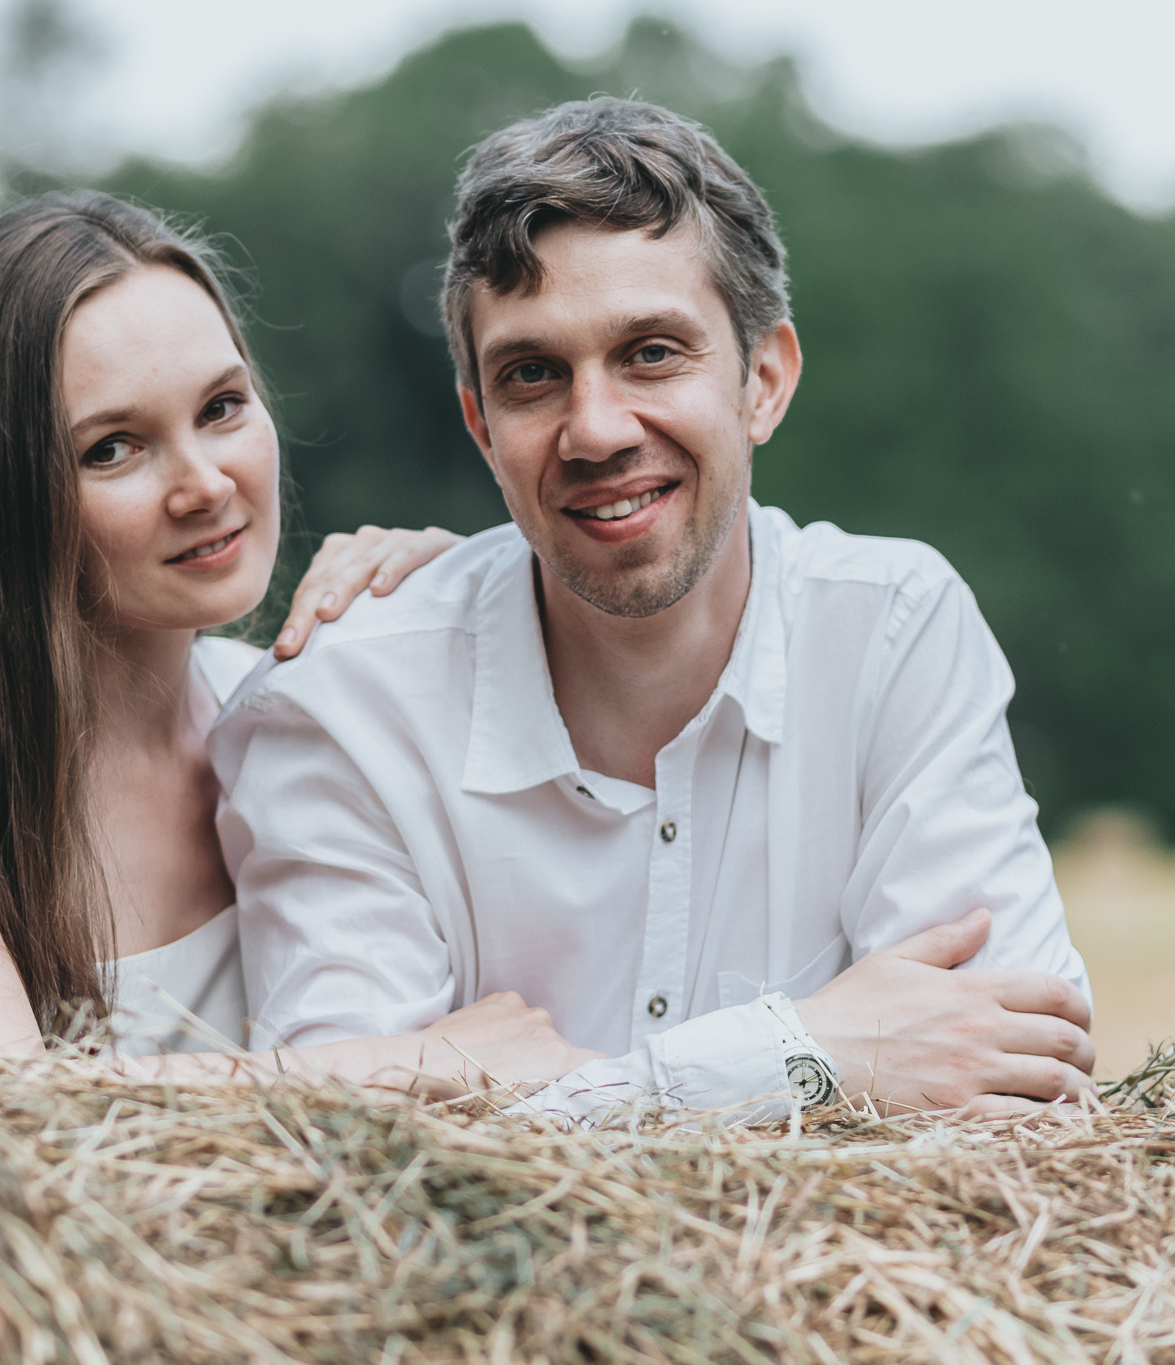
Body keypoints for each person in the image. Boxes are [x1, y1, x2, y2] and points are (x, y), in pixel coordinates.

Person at [215, 98, 1097, 1123]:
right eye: (534, 375)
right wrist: (804, 1058)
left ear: (763, 380)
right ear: (480, 426)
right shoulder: (341, 705)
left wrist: (577, 1105)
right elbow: (346, 1171)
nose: (594, 430)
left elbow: (1024, 1097)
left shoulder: (894, 633)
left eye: (651, 353)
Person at [0, 193, 579, 1095]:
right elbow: (0, 1109)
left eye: (222, 407)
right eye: (112, 449)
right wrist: (405, 1067)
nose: (204, 484)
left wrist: (452, 610)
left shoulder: (298, 713)